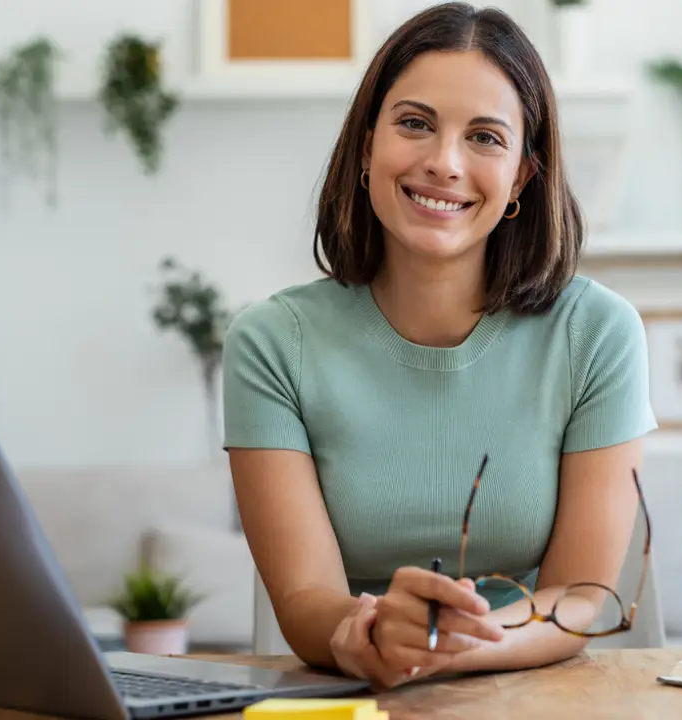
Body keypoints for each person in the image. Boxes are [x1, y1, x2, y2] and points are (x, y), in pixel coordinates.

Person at [221, 1, 655, 691]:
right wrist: (370, 636)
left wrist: (444, 646)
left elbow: (580, 597)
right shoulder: (272, 345)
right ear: (367, 145)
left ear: (520, 178)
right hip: (358, 695)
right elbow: (304, 606)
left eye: (485, 137)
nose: (444, 163)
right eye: (415, 124)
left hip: (537, 697)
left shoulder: (597, 333)